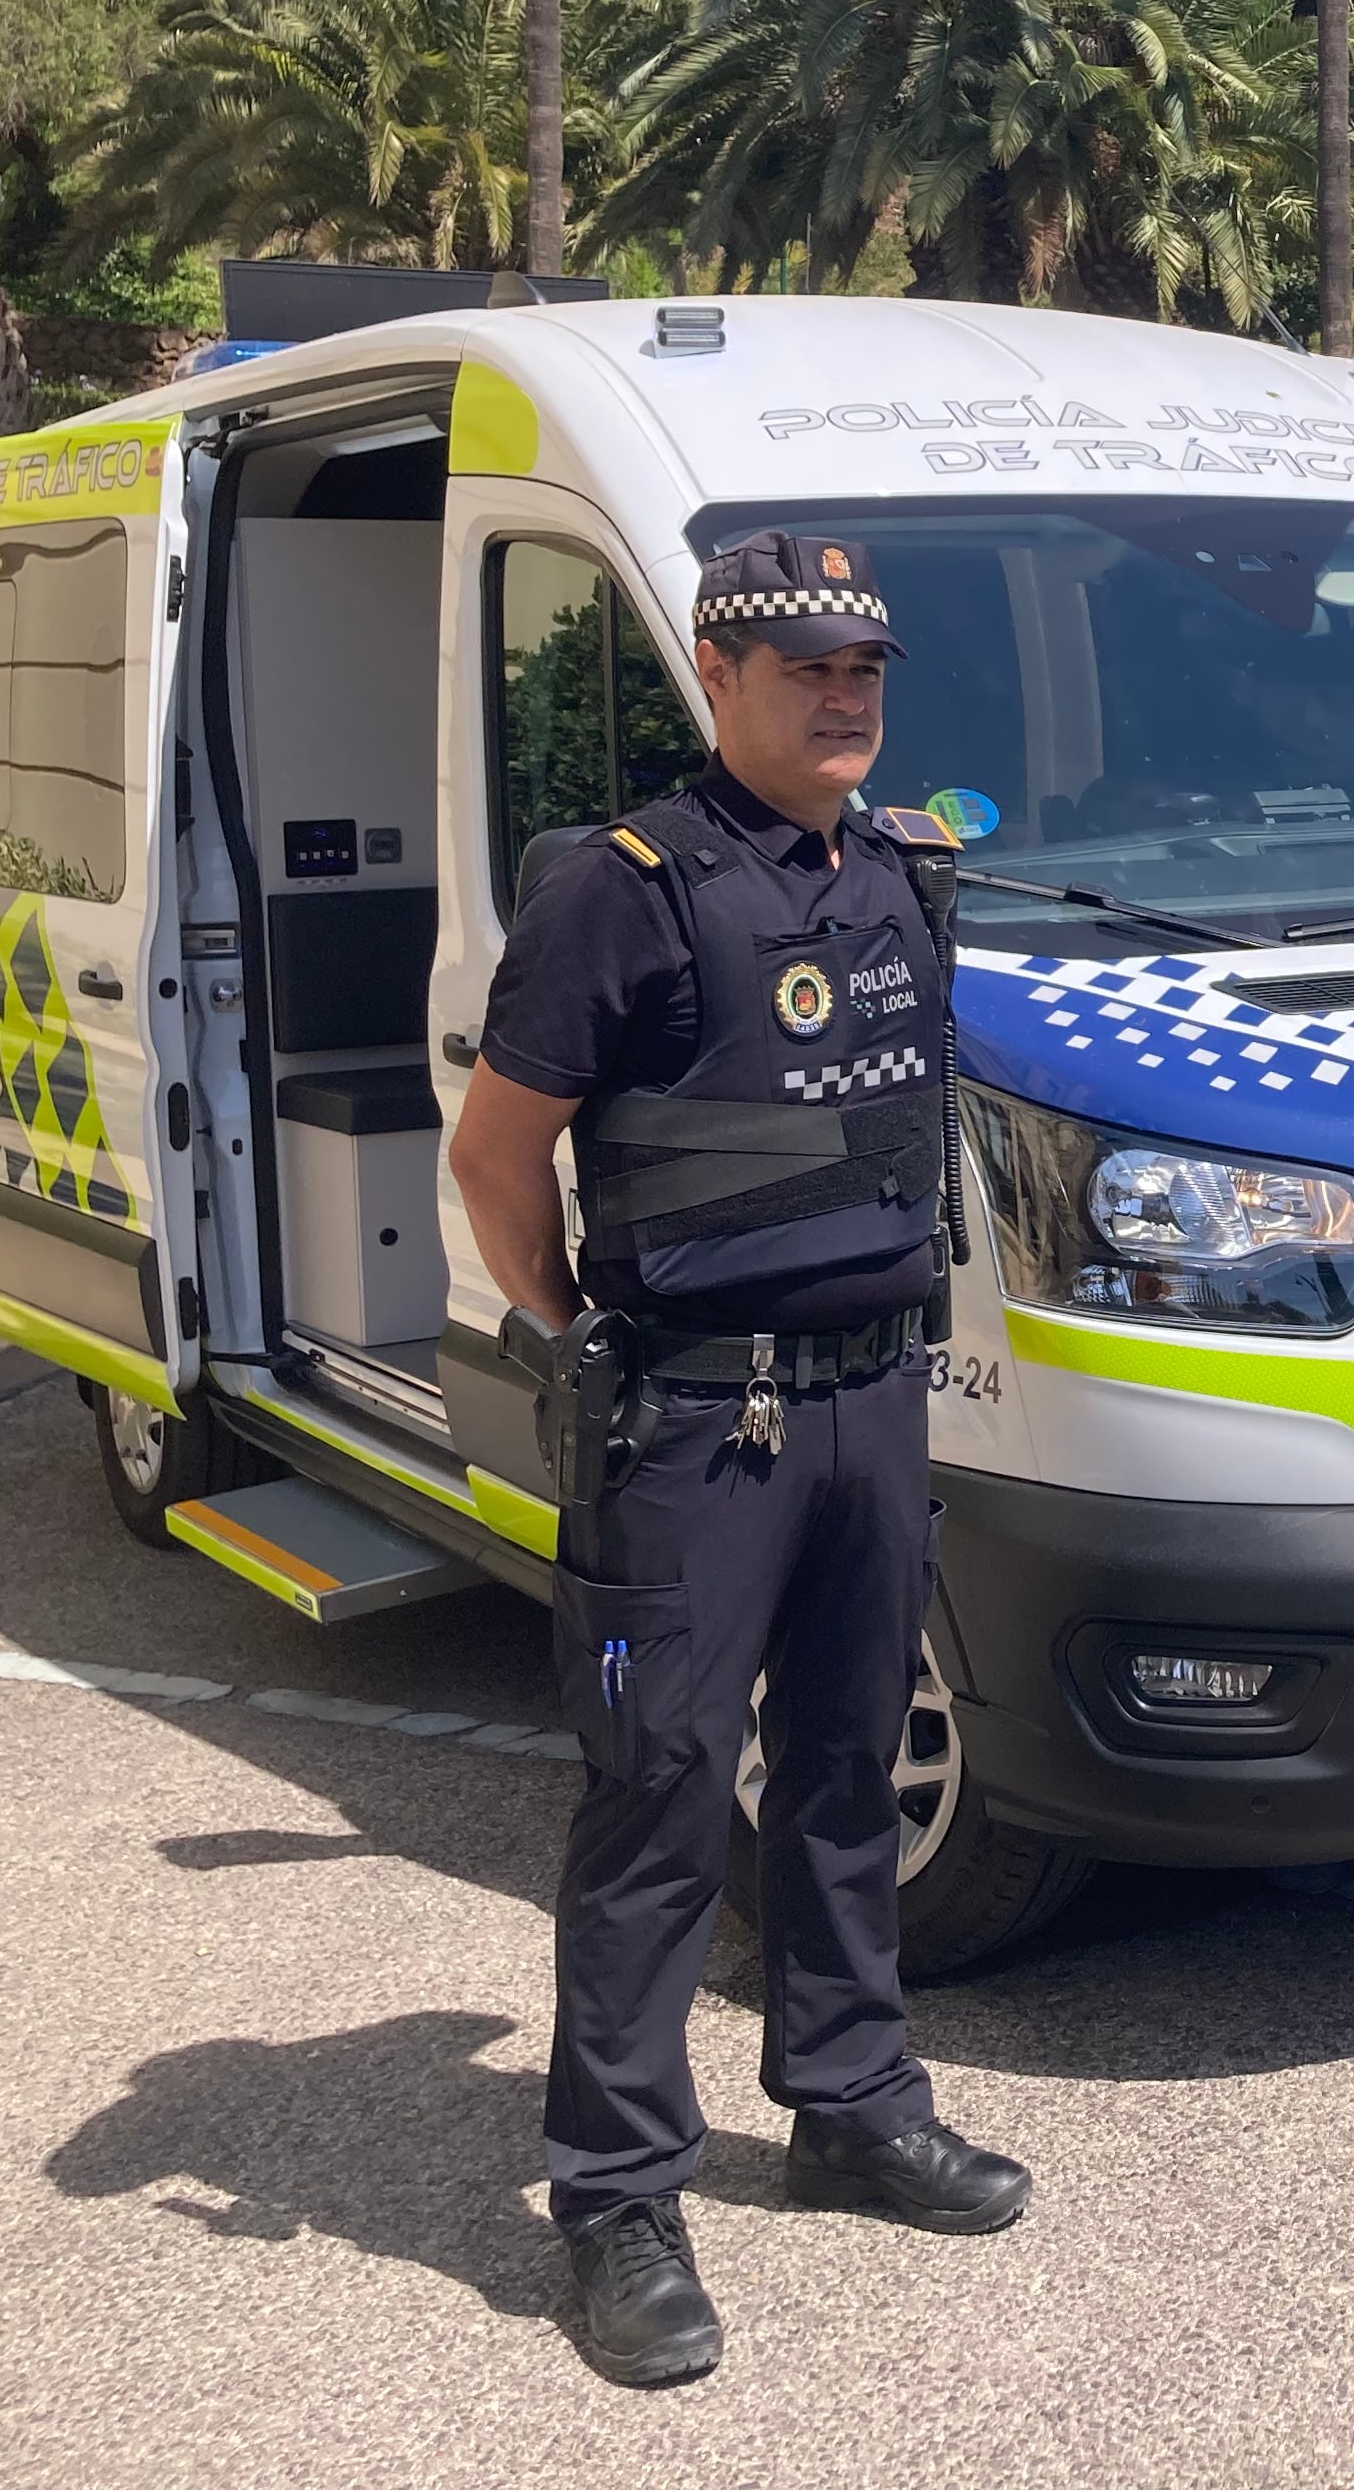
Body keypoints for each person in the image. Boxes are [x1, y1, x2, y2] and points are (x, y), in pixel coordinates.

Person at [448, 528, 1030, 2390]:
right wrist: (588, 1331)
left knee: (846, 1769)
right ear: (719, 673)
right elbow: (493, 1151)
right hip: (695, 1417)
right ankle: (616, 2191)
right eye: (808, 673)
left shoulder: (902, 870)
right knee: (658, 1799)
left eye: (867, 671)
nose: (846, 699)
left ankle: (852, 2100)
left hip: (873, 1400)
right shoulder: (621, 888)